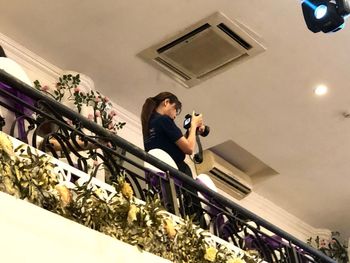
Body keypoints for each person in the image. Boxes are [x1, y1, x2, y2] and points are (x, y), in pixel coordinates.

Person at [141, 91, 204, 222]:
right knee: (195, 218)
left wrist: (190, 132)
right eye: (176, 110)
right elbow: (189, 148)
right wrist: (193, 126)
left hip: (167, 177)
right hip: (179, 174)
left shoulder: (149, 124)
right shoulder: (164, 120)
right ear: (166, 102)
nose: (175, 116)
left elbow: (174, 146)